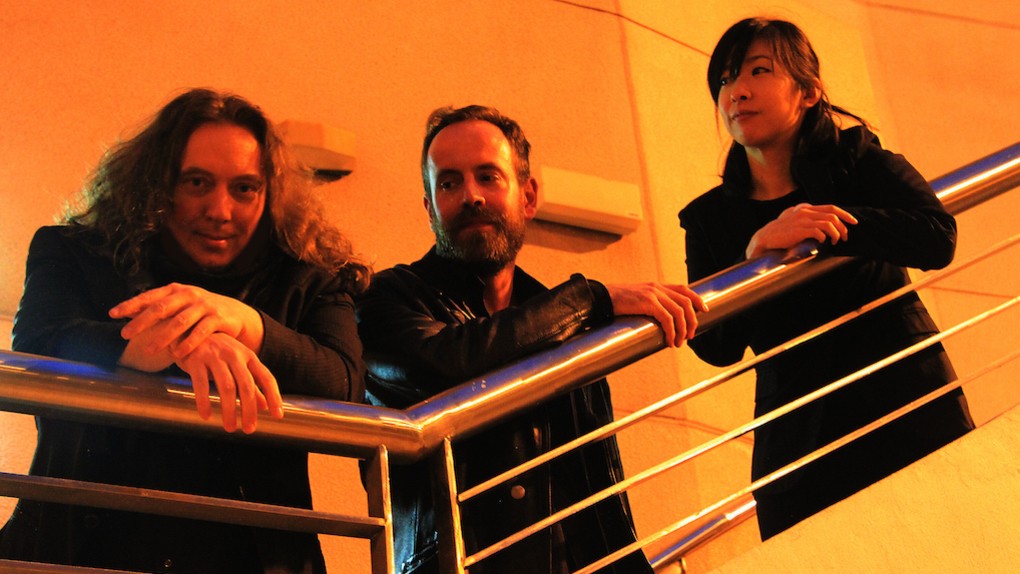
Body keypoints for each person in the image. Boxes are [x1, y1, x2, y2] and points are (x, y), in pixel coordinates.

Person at [0, 88, 369, 572]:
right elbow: (38, 341)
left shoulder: (310, 274)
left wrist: (246, 323)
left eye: (244, 188)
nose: (220, 210)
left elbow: (346, 381)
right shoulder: (74, 250)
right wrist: (178, 339)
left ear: (269, 194)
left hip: (249, 556)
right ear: (158, 183)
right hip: (80, 548)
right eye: (198, 182)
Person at [356, 105, 706, 574]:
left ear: (528, 196)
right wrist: (591, 298)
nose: (471, 196)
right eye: (449, 183)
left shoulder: (566, 321)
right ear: (430, 208)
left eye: (488, 177)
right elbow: (449, 363)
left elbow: (598, 489)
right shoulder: (386, 298)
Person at [678, 18, 975, 541]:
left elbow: (937, 235)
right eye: (725, 80)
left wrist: (827, 226)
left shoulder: (858, 161)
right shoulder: (710, 218)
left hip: (905, 404)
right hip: (797, 438)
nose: (736, 91)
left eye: (758, 71)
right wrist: (755, 256)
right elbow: (717, 346)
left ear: (809, 92)